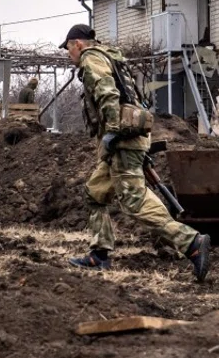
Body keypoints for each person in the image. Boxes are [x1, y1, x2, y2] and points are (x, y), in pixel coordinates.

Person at [59, 23, 211, 281]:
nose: (69, 54)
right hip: (126, 138)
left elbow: (107, 92)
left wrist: (113, 132)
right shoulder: (111, 56)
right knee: (95, 193)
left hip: (122, 139)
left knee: (134, 201)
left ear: (78, 44)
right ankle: (99, 255)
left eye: (69, 49)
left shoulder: (91, 58)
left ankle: (191, 243)